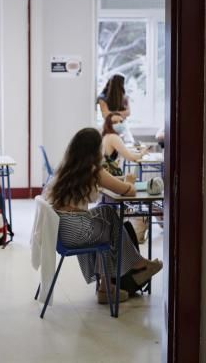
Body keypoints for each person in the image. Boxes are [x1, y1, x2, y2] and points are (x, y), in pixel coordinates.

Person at [45, 128, 162, 304]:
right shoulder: (93, 170)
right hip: (74, 232)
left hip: (62, 230)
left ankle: (107, 286)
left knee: (106, 214)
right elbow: (126, 191)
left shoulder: (65, 167)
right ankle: (133, 267)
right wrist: (129, 181)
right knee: (108, 218)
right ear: (94, 150)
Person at [101, 112, 148, 176]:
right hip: (109, 174)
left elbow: (125, 152)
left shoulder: (106, 136)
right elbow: (132, 157)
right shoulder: (113, 137)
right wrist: (142, 153)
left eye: (121, 121)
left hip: (105, 173)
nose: (119, 124)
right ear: (108, 125)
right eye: (115, 122)